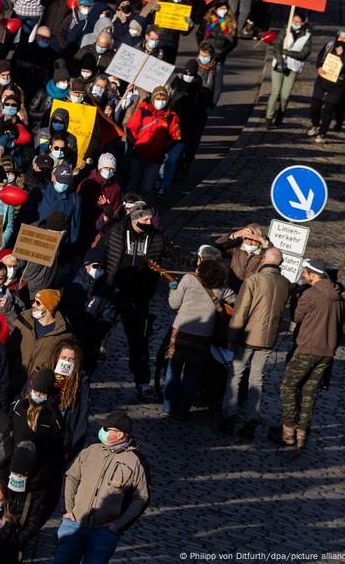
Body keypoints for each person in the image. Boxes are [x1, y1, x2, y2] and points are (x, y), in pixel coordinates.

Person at [56, 412, 149, 564]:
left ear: (119, 435)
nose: (102, 431)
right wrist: (67, 510)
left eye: (107, 429)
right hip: (74, 524)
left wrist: (118, 525)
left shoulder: (136, 462)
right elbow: (71, 476)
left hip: (104, 532)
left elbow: (141, 498)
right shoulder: (91, 450)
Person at [219, 248, 289, 439]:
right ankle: (251, 419)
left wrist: (232, 336)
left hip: (248, 337)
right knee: (257, 378)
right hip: (268, 338)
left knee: (235, 374)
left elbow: (241, 312)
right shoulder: (285, 283)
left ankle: (229, 416)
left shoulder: (253, 281)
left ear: (264, 260)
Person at [280, 258, 343, 449]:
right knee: (309, 392)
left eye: (305, 272)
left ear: (313, 274)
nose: (302, 274)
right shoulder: (339, 298)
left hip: (307, 348)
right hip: (327, 352)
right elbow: (339, 328)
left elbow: (297, 317)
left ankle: (288, 430)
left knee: (288, 387)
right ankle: (302, 434)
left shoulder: (310, 294)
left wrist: (295, 299)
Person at [104, 206, 165, 400]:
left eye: (150, 220)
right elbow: (102, 252)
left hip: (138, 298)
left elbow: (168, 255)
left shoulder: (155, 238)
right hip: (114, 293)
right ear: (134, 219)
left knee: (139, 342)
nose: (150, 224)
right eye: (145, 220)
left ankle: (142, 381)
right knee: (97, 332)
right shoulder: (117, 232)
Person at [164, 259, 234, 418]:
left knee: (173, 369)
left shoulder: (189, 279)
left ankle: (168, 408)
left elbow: (174, 304)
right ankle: (182, 411)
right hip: (204, 336)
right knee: (192, 374)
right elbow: (235, 301)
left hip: (182, 330)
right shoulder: (221, 288)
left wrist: (172, 290)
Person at [265, 12, 312, 127]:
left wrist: (289, 53)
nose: (295, 23)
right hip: (279, 65)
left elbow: (304, 53)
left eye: (298, 22)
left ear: (303, 23)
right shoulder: (285, 31)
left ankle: (280, 114)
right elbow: (277, 47)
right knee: (275, 92)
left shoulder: (307, 36)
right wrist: (280, 61)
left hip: (293, 67)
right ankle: (269, 116)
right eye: (294, 21)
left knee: (285, 95)